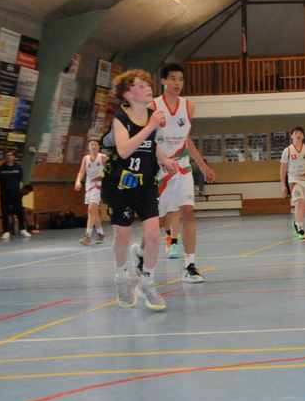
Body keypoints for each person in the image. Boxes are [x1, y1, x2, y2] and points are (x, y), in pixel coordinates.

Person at [101, 69, 174, 311]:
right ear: (128, 94)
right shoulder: (120, 119)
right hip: (121, 185)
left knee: (153, 235)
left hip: (145, 184)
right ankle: (121, 278)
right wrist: (150, 126)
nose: (148, 88)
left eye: (147, 84)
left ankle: (147, 282)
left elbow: (150, 145)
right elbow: (124, 150)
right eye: (140, 86)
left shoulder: (153, 116)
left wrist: (164, 159)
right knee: (122, 236)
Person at [153, 63, 215, 284]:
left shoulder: (188, 106)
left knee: (188, 211)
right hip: (160, 168)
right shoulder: (153, 106)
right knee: (162, 220)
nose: (177, 83)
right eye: (172, 78)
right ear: (163, 81)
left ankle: (190, 265)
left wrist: (203, 166)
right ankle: (143, 251)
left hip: (182, 166)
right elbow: (147, 140)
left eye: (180, 79)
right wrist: (163, 159)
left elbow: (186, 140)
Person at [280, 127, 305, 237]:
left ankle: (296, 222)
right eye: (295, 133)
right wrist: (283, 184)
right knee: (299, 202)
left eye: (300, 133)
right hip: (294, 179)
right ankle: (300, 227)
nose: (298, 135)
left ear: (303, 136)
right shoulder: (287, 150)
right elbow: (283, 169)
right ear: (292, 136)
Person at [73, 138, 107, 245]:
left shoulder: (103, 157)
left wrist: (100, 178)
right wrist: (78, 181)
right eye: (91, 144)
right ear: (88, 147)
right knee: (93, 212)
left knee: (91, 209)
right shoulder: (86, 158)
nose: (93, 146)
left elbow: (109, 171)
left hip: (98, 186)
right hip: (88, 186)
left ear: (99, 147)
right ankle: (101, 233)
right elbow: (81, 172)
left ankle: (87, 236)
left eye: (95, 144)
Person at [0, 150, 29, 240]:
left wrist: (20, 192)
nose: (8, 157)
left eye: (10, 155)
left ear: (14, 157)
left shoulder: (18, 168)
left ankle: (22, 229)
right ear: (5, 157)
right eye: (7, 155)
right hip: (5, 194)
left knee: (20, 211)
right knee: (5, 212)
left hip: (16, 194)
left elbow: (21, 181)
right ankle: (6, 231)